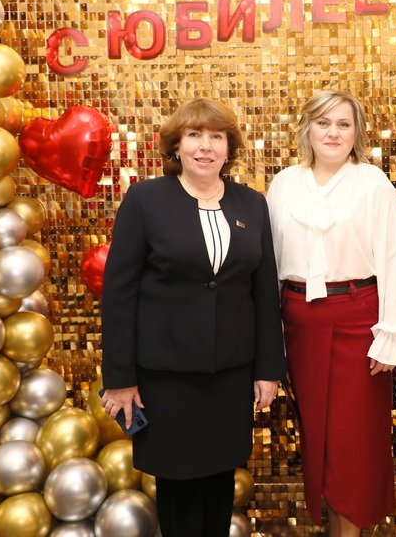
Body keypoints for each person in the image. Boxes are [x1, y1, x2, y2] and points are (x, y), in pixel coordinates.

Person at [100, 98, 285, 537]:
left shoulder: (251, 204)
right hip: (167, 377)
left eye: (216, 137)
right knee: (179, 488)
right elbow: (119, 295)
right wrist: (120, 379)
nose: (206, 146)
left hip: (230, 375)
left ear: (229, 148)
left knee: (220, 482)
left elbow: (264, 293)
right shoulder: (145, 200)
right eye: (195, 136)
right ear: (176, 146)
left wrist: (268, 369)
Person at [266, 90, 396, 537]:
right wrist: (269, 338)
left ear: (357, 133)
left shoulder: (372, 183)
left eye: (343, 124)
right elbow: (268, 264)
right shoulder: (284, 184)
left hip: (359, 322)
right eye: (323, 123)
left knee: (354, 440)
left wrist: (392, 334)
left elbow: (394, 257)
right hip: (298, 324)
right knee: (317, 438)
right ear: (307, 129)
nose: (333, 133)